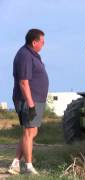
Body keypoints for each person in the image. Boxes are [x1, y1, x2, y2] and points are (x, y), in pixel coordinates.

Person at [8, 29, 49, 175]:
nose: (44, 44)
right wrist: (31, 104)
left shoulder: (32, 54)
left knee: (32, 131)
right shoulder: (25, 55)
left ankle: (15, 163)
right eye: (42, 42)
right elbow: (23, 82)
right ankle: (28, 167)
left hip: (36, 99)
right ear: (34, 42)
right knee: (29, 131)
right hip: (29, 100)